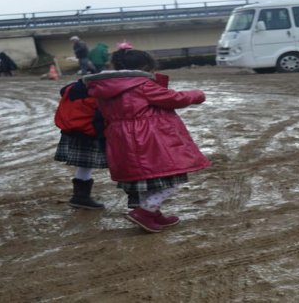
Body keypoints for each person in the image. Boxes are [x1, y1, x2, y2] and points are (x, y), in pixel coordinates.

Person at [84, 43, 210, 232]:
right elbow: (174, 98)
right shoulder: (141, 85)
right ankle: (145, 211)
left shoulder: (104, 87)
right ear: (144, 68)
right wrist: (197, 94)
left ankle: (152, 213)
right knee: (171, 178)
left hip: (120, 138)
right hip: (148, 139)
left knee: (145, 180)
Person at [54, 79, 141, 210]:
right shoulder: (103, 91)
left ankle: (80, 197)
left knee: (84, 165)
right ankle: (137, 200)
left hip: (78, 131)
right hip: (96, 133)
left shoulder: (74, 88)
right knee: (121, 163)